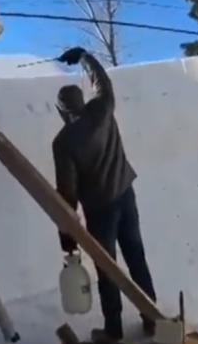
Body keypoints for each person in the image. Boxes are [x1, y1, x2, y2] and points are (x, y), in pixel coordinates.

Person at [52, 47, 157, 343]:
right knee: (136, 257)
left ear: (62, 112)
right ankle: (151, 318)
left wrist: (67, 235)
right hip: (126, 194)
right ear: (81, 102)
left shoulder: (63, 142)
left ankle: (113, 330)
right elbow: (102, 81)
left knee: (107, 268)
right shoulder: (102, 108)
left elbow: (67, 193)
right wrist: (84, 57)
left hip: (100, 210)